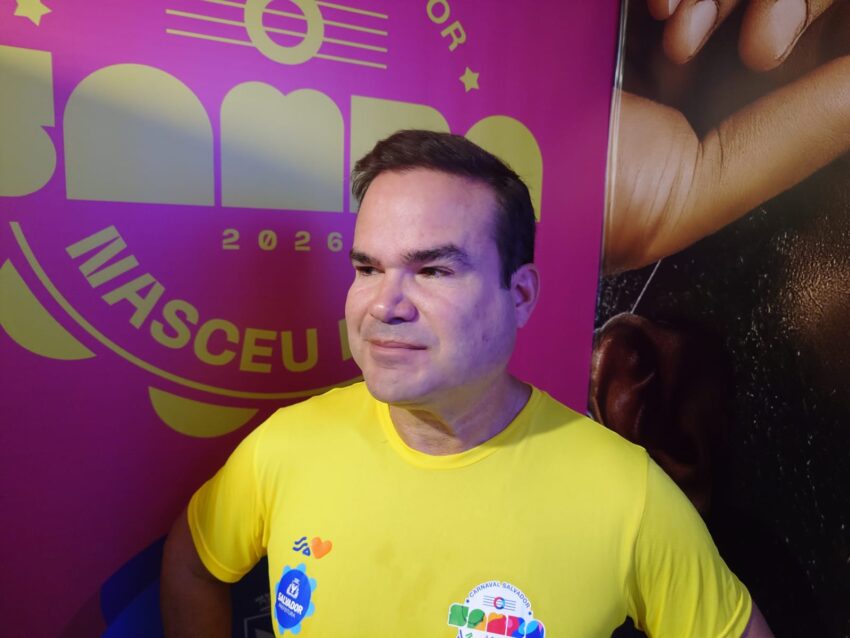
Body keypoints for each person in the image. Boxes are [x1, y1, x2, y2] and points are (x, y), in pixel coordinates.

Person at [160, 130, 773, 637]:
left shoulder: (627, 496)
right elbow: (193, 563)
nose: (384, 305)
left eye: (432, 270)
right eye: (367, 268)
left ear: (520, 295)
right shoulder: (287, 445)